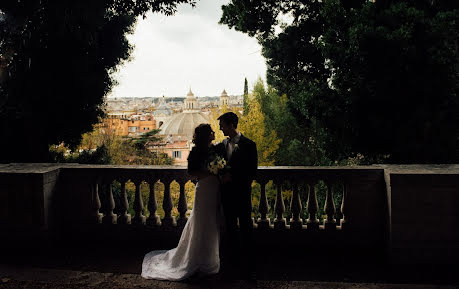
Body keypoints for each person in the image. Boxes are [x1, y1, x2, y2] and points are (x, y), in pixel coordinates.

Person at [141, 123, 224, 281]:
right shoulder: (195, 152)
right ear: (206, 135)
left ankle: (210, 260)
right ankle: (197, 260)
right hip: (205, 188)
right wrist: (211, 172)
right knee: (201, 223)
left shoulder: (216, 148)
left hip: (214, 190)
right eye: (212, 131)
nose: (214, 133)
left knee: (212, 224)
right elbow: (192, 173)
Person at [218, 112, 258, 280]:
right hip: (226, 195)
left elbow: (252, 171)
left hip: (241, 193)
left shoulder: (249, 145)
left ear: (231, 125)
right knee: (230, 228)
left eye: (222, 125)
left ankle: (249, 266)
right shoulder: (221, 145)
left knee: (246, 228)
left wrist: (232, 178)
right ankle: (232, 264)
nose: (220, 128)